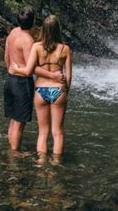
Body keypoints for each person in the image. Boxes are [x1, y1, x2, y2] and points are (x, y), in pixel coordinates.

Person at [10, 14, 72, 160]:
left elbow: (29, 70)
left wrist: (16, 69)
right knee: (58, 133)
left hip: (40, 90)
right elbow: (68, 76)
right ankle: (56, 163)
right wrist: (65, 91)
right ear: (58, 30)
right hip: (58, 90)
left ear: (43, 29)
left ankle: (41, 162)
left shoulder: (36, 47)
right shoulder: (65, 49)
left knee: (43, 132)